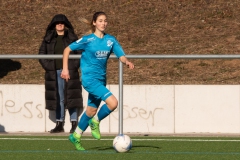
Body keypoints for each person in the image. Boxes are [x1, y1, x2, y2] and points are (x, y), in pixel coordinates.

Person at [61, 11, 134, 150]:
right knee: (113, 103)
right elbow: (66, 50)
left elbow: (121, 55)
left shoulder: (110, 40)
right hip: (89, 79)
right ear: (94, 22)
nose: (103, 23)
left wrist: (127, 62)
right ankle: (95, 122)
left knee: (91, 110)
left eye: (105, 20)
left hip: (101, 80)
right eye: (100, 20)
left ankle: (75, 135)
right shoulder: (87, 40)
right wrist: (65, 69)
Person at [39, 14, 83, 133]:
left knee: (71, 96)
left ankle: (74, 123)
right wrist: (50, 68)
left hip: (70, 72)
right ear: (54, 25)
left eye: (62, 23)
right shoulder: (48, 38)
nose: (60, 24)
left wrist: (70, 68)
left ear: (65, 25)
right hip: (54, 73)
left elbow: (79, 54)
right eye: (57, 23)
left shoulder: (72, 37)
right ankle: (60, 123)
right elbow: (41, 55)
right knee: (58, 98)